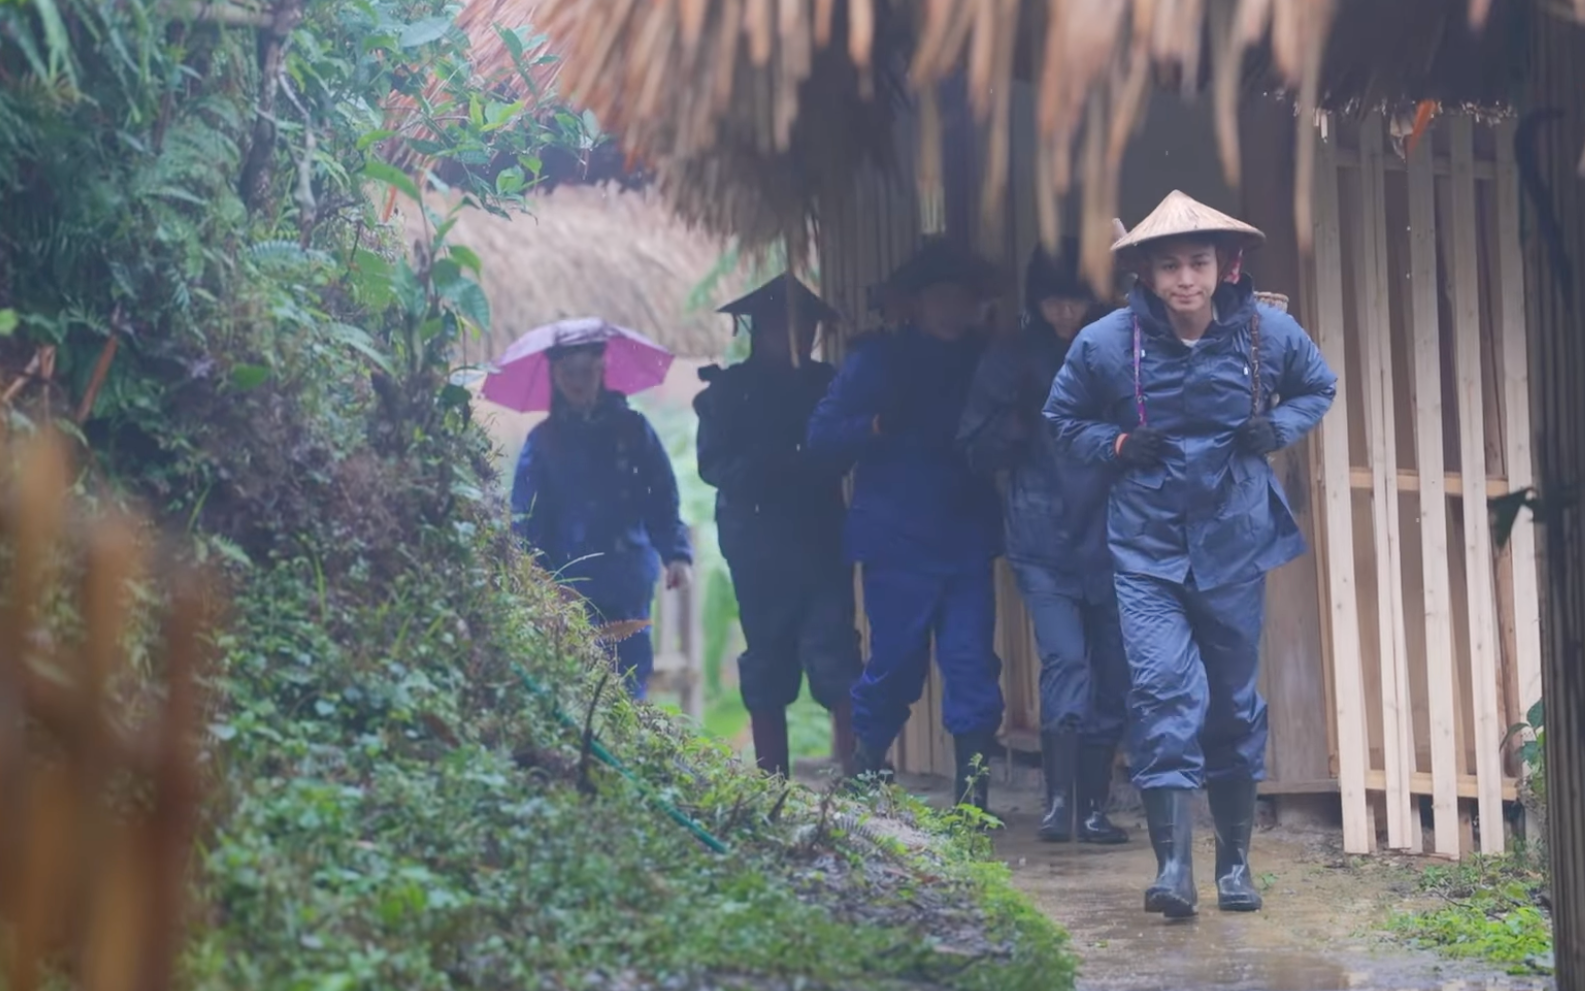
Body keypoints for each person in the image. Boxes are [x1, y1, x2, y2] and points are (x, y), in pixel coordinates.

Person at [1044, 191, 1337, 918]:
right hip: (1144, 547)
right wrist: (1113, 444)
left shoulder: (1268, 332)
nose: (1184, 279)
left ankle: (1233, 866)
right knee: (1162, 696)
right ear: (1143, 272)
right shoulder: (1105, 343)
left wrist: (1276, 429)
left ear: (1224, 265)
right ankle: (1172, 869)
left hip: (1233, 542)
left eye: (1197, 264)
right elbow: (1062, 418)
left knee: (1233, 706)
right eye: (1168, 265)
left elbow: (1317, 387)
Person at [805, 237, 1005, 812]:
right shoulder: (878, 360)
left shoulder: (987, 360)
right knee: (895, 663)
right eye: (939, 296)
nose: (950, 308)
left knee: (970, 664)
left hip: (965, 536)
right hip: (896, 538)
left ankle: (974, 805)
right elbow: (821, 437)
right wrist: (874, 425)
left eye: (960, 297)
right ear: (914, 303)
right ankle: (866, 779)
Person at [957, 238, 1130, 845]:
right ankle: (1059, 805)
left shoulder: (1119, 348)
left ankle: (1092, 808)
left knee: (1114, 672)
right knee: (1067, 662)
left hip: (1114, 535)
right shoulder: (1011, 358)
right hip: (1041, 537)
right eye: (1053, 302)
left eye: (1075, 300)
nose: (1064, 314)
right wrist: (1016, 422)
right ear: (1037, 300)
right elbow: (972, 446)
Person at [694, 274, 862, 779]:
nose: (795, 337)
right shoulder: (729, 391)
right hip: (758, 546)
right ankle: (773, 783)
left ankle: (859, 777)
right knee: (767, 656)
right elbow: (713, 465)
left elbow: (844, 449)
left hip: (819, 537)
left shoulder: (826, 383)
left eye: (804, 327)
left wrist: (809, 461)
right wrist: (774, 464)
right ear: (757, 329)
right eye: (782, 327)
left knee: (835, 653)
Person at [510, 339, 693, 700]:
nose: (578, 381)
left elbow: (661, 497)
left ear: (602, 369)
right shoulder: (543, 441)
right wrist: (534, 577)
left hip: (627, 579)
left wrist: (677, 553)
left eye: (586, 370)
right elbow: (526, 519)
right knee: (574, 685)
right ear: (554, 375)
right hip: (566, 585)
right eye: (568, 372)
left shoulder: (634, 430)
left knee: (628, 684)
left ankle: (629, 754)